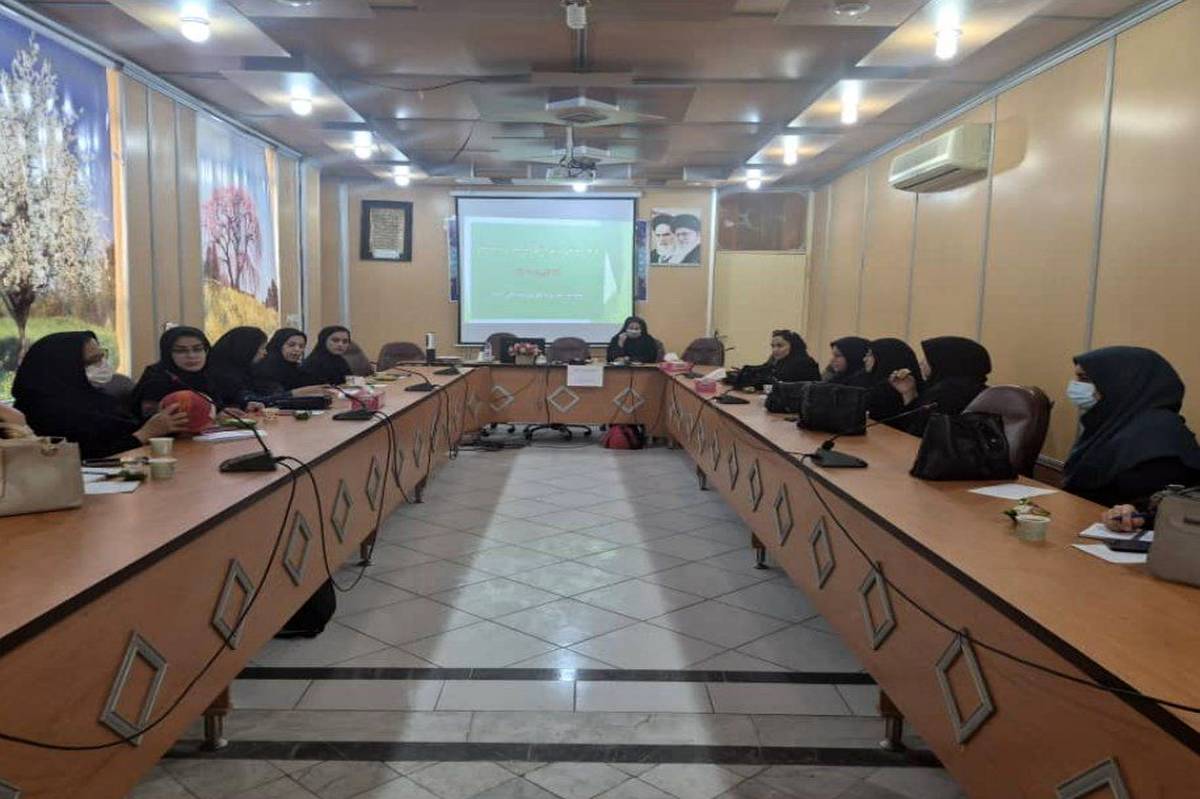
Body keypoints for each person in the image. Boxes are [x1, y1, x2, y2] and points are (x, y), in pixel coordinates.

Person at [1062, 346, 1200, 511]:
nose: (1075, 386)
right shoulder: (1117, 421)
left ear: (1120, 382)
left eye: (1084, 378)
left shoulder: (1158, 437)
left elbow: (1150, 510)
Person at [12, 331, 189, 459]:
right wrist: (144, 434)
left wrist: (164, 424)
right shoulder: (40, 412)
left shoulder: (97, 399)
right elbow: (85, 455)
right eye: (93, 361)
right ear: (65, 369)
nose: (103, 364)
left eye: (102, 356)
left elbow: (123, 430)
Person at [887, 336, 991, 436]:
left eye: (926, 359)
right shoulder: (978, 389)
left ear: (943, 361)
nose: (921, 363)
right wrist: (909, 392)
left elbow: (913, 432)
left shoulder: (947, 394)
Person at [130, 326, 211, 419]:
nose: (191, 356)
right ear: (167, 354)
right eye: (181, 351)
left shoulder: (210, 375)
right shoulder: (156, 381)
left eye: (198, 349)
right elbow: (153, 420)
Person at [207, 327, 286, 410]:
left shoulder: (247, 370)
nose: (265, 352)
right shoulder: (223, 375)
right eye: (262, 348)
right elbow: (250, 399)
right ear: (247, 348)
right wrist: (290, 394)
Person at [864, 338, 924, 427]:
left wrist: (908, 395)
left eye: (870, 355)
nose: (864, 359)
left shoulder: (888, 390)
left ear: (886, 357)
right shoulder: (871, 381)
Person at [253, 328, 309, 393]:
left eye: (301, 346)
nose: (297, 349)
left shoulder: (298, 369)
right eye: (291, 345)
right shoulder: (264, 369)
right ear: (279, 345)